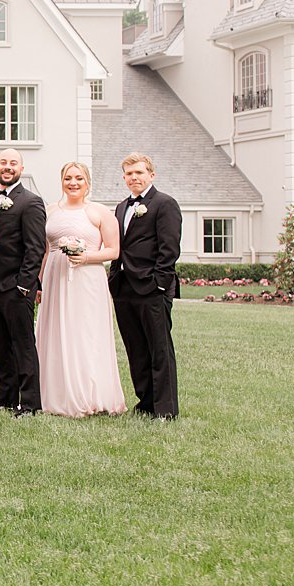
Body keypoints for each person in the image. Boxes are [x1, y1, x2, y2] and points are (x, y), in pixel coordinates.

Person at [37, 161, 127, 417]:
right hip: (55, 277)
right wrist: (39, 281)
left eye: (78, 178)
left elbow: (113, 250)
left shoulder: (99, 212)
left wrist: (85, 257)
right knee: (56, 331)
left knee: (85, 333)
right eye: (68, 178)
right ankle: (56, 394)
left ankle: (91, 395)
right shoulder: (52, 210)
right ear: (62, 181)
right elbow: (46, 251)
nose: (73, 183)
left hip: (87, 280)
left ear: (87, 182)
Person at [109, 152, 182, 419]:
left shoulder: (165, 204)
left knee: (159, 349)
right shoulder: (120, 207)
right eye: (129, 174)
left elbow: (170, 248)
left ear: (151, 174)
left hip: (152, 289)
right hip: (124, 289)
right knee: (136, 349)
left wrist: (159, 284)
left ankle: (165, 409)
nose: (134, 178)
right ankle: (146, 403)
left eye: (139, 172)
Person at [0, 148, 46, 416]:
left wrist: (24, 285)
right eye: (3, 162)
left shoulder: (30, 202)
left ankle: (29, 403)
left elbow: (35, 248)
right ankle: (4, 399)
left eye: (13, 163)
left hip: (16, 288)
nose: (8, 167)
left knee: (23, 345)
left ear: (21, 167)